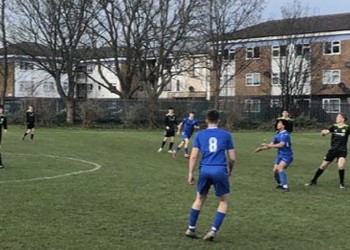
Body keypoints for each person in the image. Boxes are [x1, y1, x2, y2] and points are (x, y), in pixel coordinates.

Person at [185, 109, 235, 241]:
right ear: (219, 120)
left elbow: (194, 156)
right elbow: (232, 158)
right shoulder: (226, 135)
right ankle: (213, 230)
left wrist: (190, 173)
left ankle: (191, 228)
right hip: (219, 169)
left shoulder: (200, 135)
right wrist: (230, 169)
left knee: (200, 198)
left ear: (206, 120)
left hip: (205, 169)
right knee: (224, 200)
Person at [305, 112, 350, 189]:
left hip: (342, 150)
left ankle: (341, 184)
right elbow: (326, 133)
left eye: (338, 117)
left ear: (342, 119)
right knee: (323, 166)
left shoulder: (347, 128)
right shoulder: (334, 126)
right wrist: (323, 133)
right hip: (333, 150)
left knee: (341, 165)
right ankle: (313, 180)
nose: (336, 118)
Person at [255, 119, 293, 192]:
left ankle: (285, 187)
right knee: (275, 171)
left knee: (280, 168)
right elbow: (271, 145)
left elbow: (281, 145)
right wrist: (261, 149)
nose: (277, 124)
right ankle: (280, 184)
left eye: (279, 123)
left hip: (287, 155)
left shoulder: (286, 134)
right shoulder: (277, 134)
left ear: (283, 126)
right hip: (280, 155)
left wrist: (267, 144)